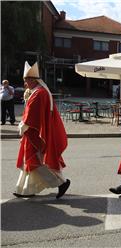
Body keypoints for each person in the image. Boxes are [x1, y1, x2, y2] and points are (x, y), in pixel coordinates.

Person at [14, 61, 70, 198]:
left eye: (26, 80)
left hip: (36, 133)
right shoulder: (37, 92)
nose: (25, 83)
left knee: (36, 162)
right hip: (34, 132)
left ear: (33, 79)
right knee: (30, 162)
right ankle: (27, 189)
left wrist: (23, 126)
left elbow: (32, 115)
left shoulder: (39, 93)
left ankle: (61, 183)